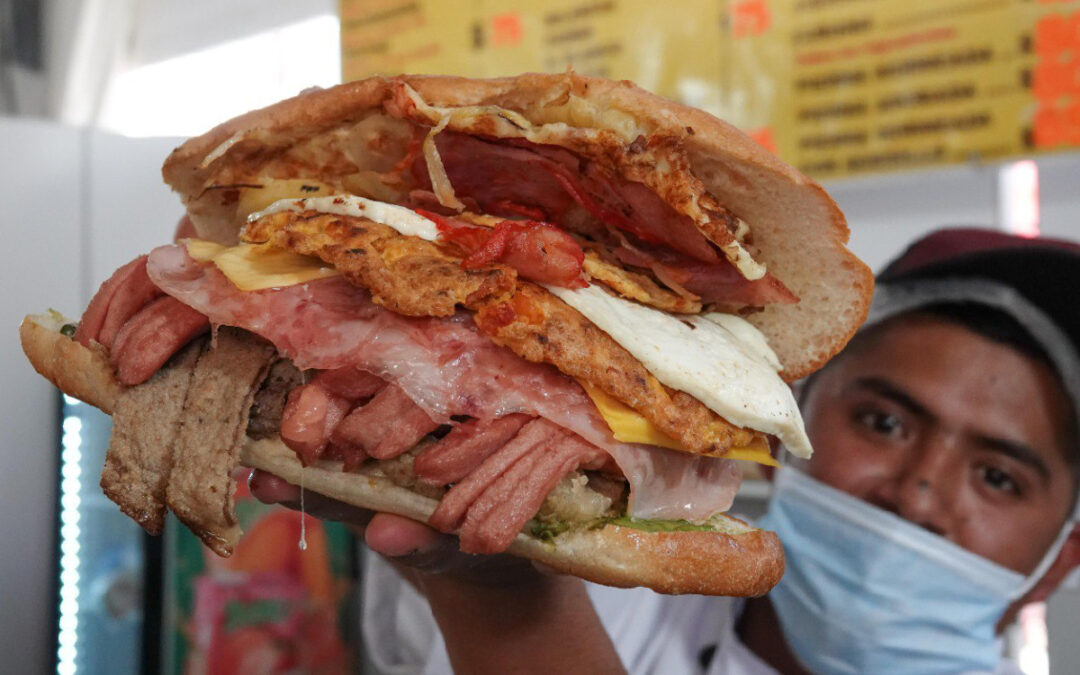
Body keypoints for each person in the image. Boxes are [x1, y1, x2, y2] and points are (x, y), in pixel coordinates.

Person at [251, 227, 1080, 674]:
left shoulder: (540, 587)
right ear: (788, 426)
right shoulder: (619, 578)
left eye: (998, 476)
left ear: (1059, 561)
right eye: (883, 423)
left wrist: (501, 602)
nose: (919, 490)